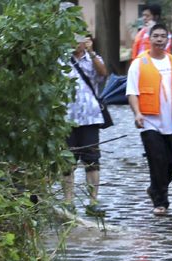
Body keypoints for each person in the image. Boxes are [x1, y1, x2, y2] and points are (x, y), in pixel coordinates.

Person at [126, 24, 172, 216]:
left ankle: (155, 188)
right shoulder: (139, 63)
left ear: (167, 39)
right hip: (149, 122)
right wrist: (137, 113)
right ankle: (161, 202)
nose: (160, 39)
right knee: (158, 161)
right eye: (156, 36)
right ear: (149, 39)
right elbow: (132, 93)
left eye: (163, 36)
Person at [63, 34, 108, 216]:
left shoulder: (93, 59)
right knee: (67, 161)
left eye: (79, 38)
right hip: (66, 118)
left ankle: (93, 201)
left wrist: (91, 52)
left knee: (92, 160)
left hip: (90, 118)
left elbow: (103, 73)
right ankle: (68, 201)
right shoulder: (60, 59)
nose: (76, 42)